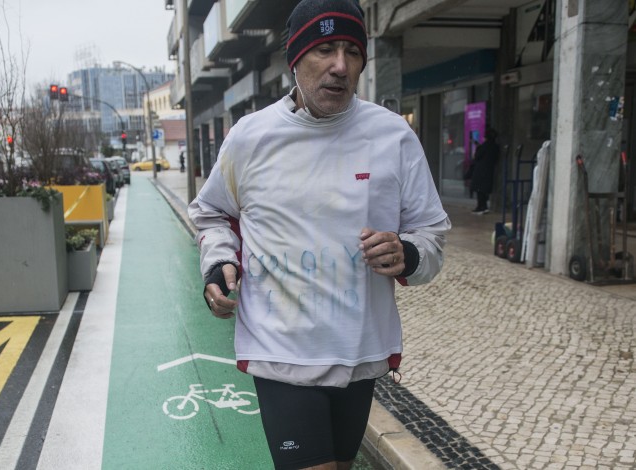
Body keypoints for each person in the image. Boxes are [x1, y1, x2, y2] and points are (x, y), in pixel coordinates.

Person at [188, 1, 450, 468]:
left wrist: (407, 253)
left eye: (352, 51)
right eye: (325, 49)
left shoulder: (393, 136)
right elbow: (212, 214)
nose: (340, 66)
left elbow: (431, 232)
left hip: (359, 350)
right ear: (295, 58)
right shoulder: (251, 138)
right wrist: (217, 264)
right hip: (280, 350)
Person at [469, 128, 500, 214]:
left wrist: (478, 147)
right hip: (489, 170)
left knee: (480, 190)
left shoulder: (484, 146)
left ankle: (481, 206)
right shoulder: (495, 146)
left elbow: (477, 156)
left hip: (481, 171)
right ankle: (483, 206)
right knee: (484, 190)